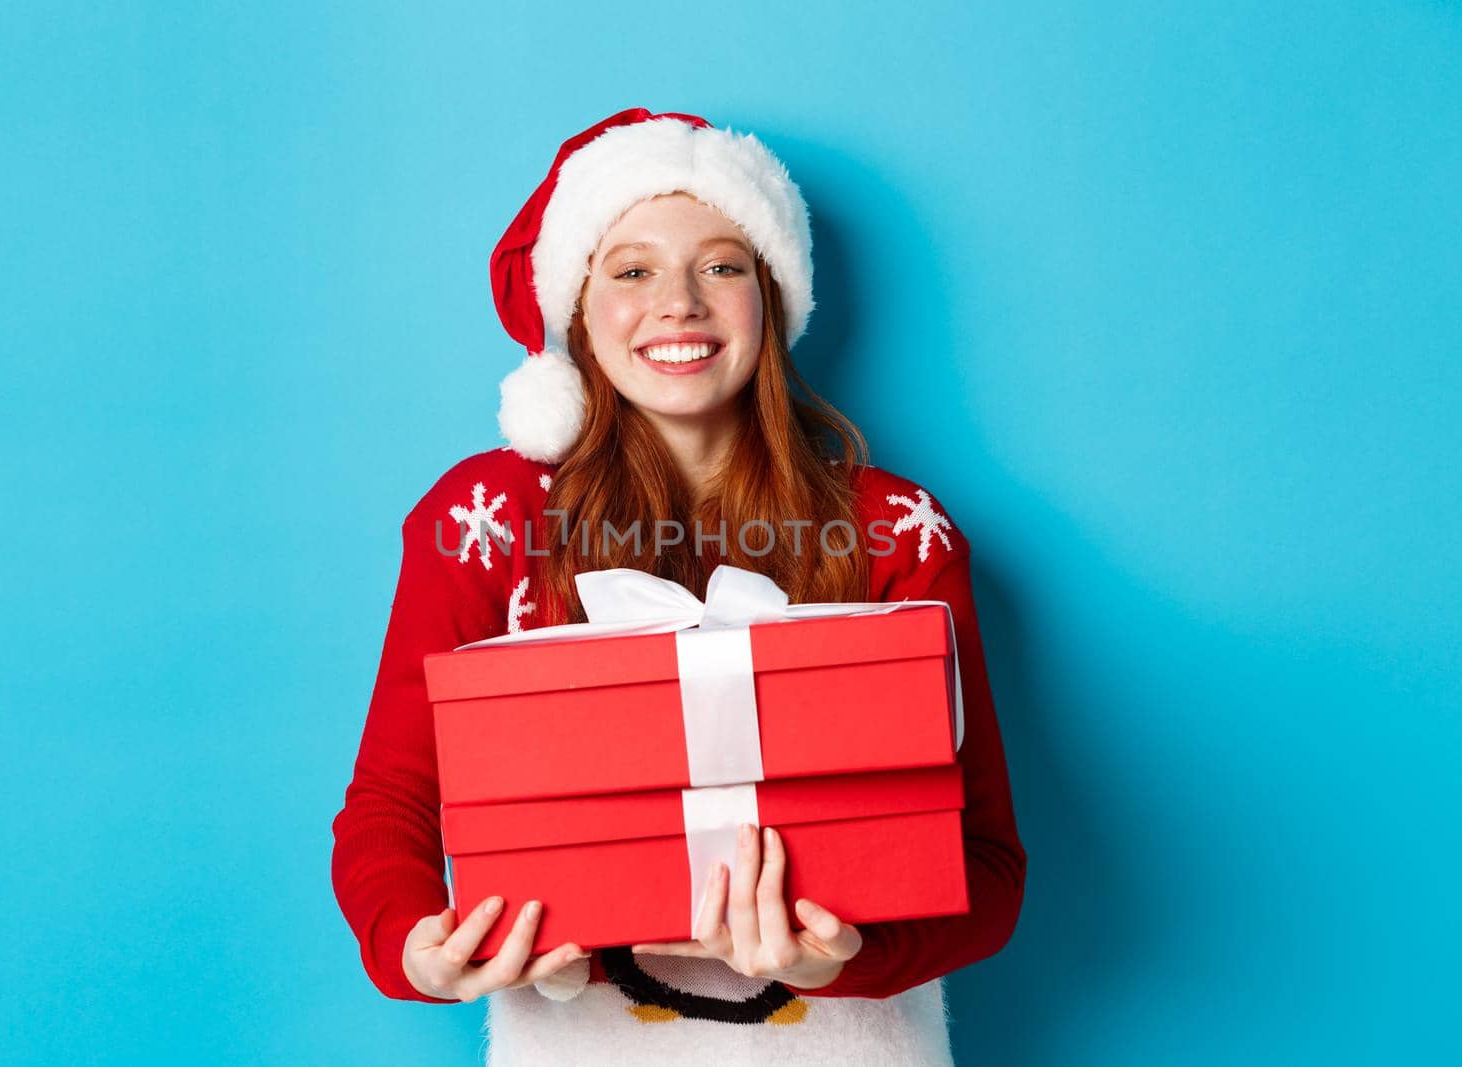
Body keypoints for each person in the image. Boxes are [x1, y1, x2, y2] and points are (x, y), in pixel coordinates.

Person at [330, 107, 1026, 1066]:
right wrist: (413, 942)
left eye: (722, 265)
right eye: (631, 269)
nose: (679, 303)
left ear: (773, 296)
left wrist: (851, 959)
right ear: (577, 306)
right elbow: (395, 798)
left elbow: (986, 862)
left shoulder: (893, 529)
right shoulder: (488, 518)